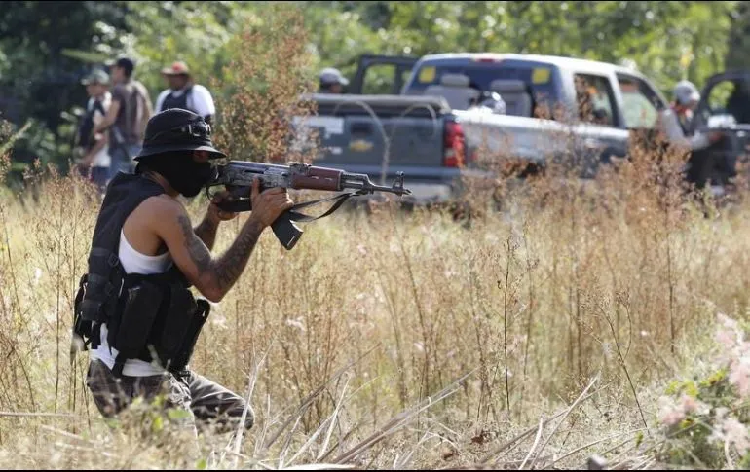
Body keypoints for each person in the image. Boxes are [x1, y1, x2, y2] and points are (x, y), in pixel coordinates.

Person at [74, 108, 294, 436]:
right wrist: (257, 221)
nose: (205, 168)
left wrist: (211, 221)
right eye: (199, 158)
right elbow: (214, 286)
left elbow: (180, 269)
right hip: (137, 380)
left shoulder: (129, 194)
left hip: (122, 367)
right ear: (170, 159)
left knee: (236, 415)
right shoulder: (164, 209)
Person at [94, 56, 154, 179]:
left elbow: (110, 119)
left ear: (121, 70)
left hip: (121, 147)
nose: (112, 73)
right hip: (138, 147)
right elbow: (149, 116)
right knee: (137, 185)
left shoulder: (119, 90)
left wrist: (96, 129)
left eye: (114, 69)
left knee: (117, 187)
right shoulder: (141, 89)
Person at [658, 80, 724, 189]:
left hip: (686, 157)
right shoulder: (669, 116)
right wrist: (707, 139)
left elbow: (694, 137)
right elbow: (679, 144)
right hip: (672, 159)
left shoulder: (688, 115)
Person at [76, 70, 112, 192]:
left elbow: (106, 135)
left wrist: (90, 156)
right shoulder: (93, 102)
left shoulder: (108, 104)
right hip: (92, 157)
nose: (88, 88)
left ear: (100, 86)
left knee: (100, 196)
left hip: (103, 159)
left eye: (91, 85)